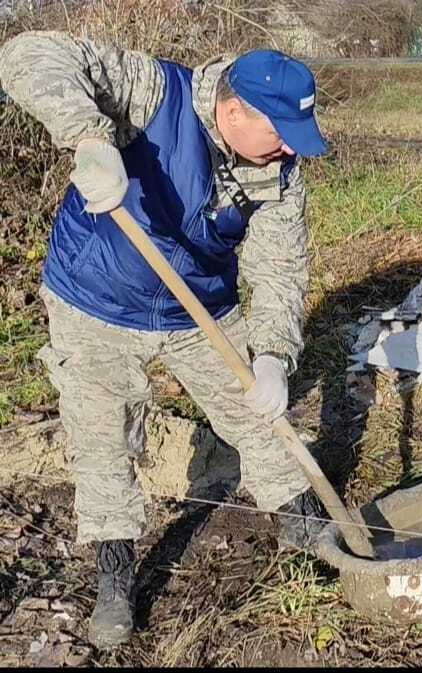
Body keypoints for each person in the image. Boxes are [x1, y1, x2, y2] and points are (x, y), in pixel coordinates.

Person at [0, 31, 329, 647]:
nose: (289, 148)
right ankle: (114, 576)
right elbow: (27, 53)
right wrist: (90, 138)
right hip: (95, 300)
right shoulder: (155, 93)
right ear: (233, 112)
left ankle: (301, 522)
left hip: (199, 308)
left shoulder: (281, 172)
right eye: (279, 132)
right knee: (102, 439)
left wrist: (275, 356)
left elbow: (280, 270)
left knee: (260, 418)